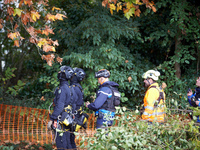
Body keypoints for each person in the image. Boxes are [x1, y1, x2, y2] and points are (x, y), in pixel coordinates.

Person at [50, 65, 77, 150]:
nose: (59, 73)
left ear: (64, 75)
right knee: (67, 142)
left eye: (60, 72)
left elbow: (60, 105)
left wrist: (53, 118)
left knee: (61, 142)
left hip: (62, 118)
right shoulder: (71, 88)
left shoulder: (62, 89)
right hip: (68, 118)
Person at [69, 67, 86, 149]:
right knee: (71, 138)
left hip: (73, 116)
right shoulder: (78, 87)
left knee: (69, 139)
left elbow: (73, 103)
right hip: (77, 115)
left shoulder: (74, 88)